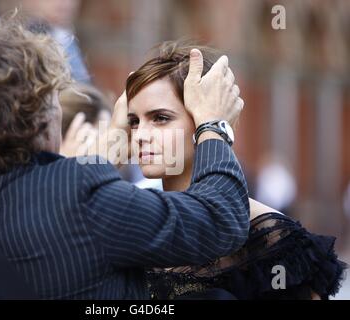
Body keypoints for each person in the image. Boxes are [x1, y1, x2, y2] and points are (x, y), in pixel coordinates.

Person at [0, 15, 248, 299]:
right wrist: (213, 125)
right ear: (40, 112)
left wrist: (96, 165)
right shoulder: (79, 192)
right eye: (55, 96)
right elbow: (220, 222)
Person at [125, 41, 347, 300]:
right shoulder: (131, 227)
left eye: (161, 118)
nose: (141, 135)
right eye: (133, 121)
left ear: (203, 119)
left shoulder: (272, 241)